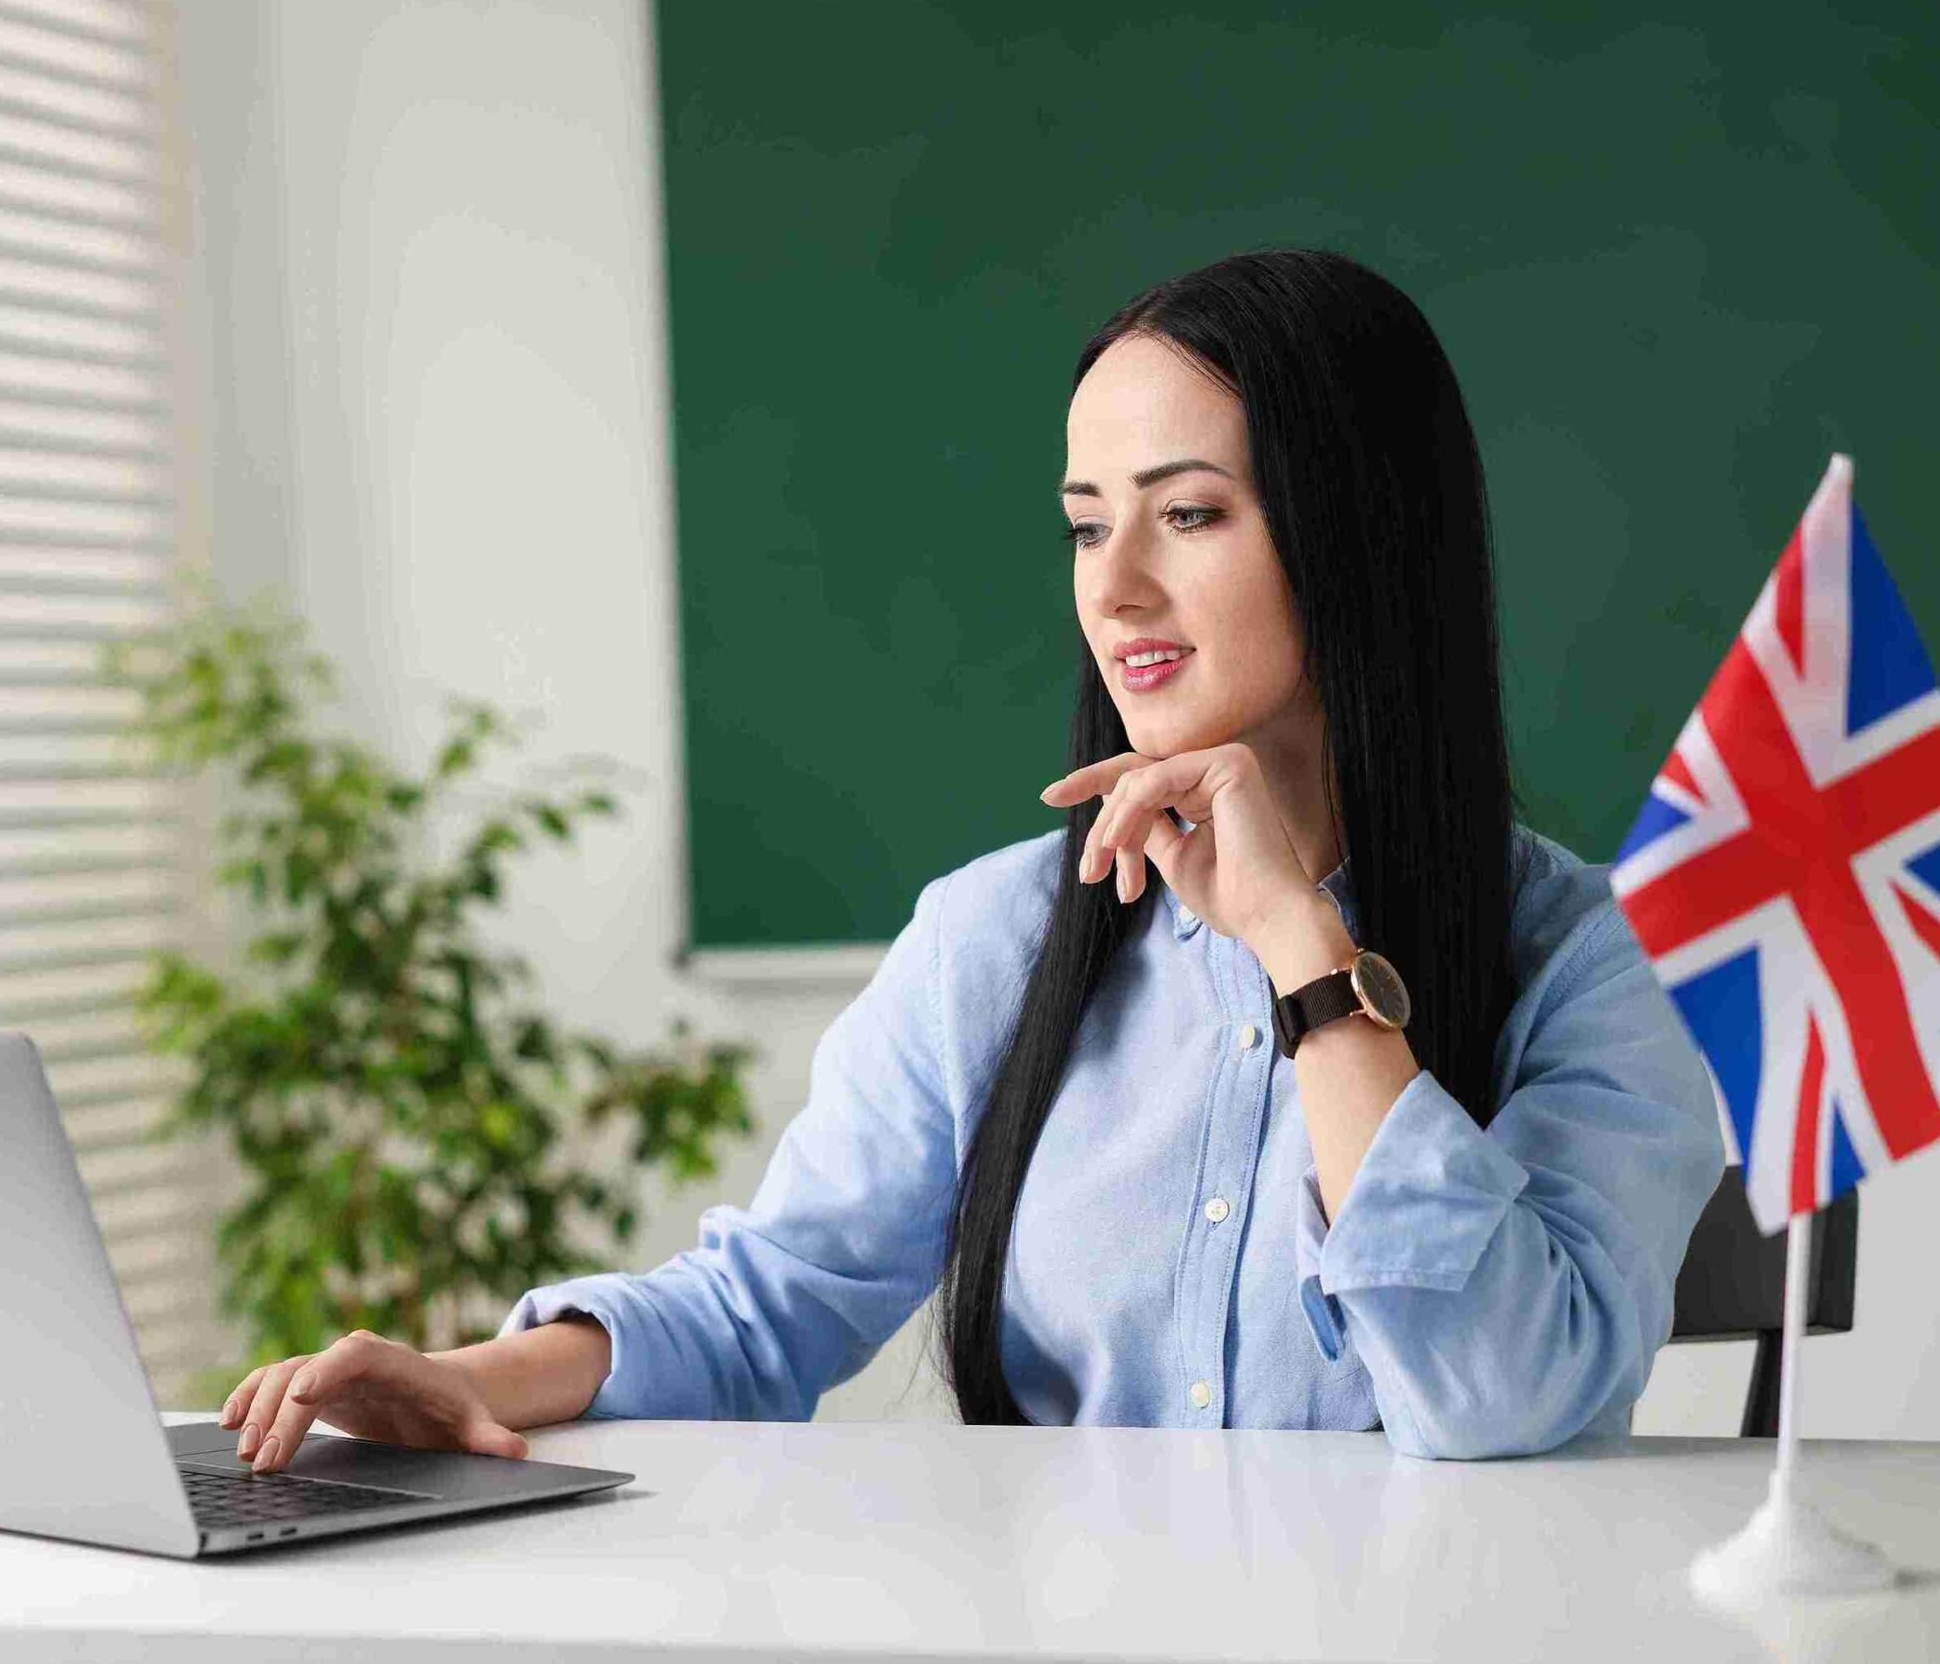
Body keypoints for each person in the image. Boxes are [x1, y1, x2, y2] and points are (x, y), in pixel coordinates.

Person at [219, 248, 1728, 1469]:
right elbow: (767, 1311)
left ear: (1361, 538)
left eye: (1189, 514)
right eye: (1086, 527)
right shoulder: (994, 939)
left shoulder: (1584, 958)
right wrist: (465, 1376)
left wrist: (1297, 948)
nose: (1118, 586)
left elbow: (1509, 1398)